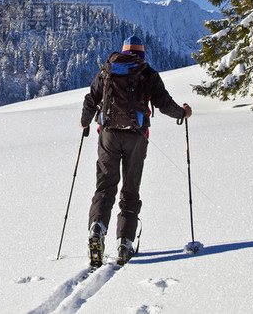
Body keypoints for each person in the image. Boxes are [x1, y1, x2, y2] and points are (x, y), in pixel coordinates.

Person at [80, 35, 191, 266]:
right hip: (137, 138)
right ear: (141, 54)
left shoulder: (107, 71)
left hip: (108, 135)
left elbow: (91, 99)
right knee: (130, 191)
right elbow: (164, 104)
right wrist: (183, 113)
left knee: (105, 187)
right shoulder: (147, 73)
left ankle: (97, 228)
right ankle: (124, 243)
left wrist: (85, 122)